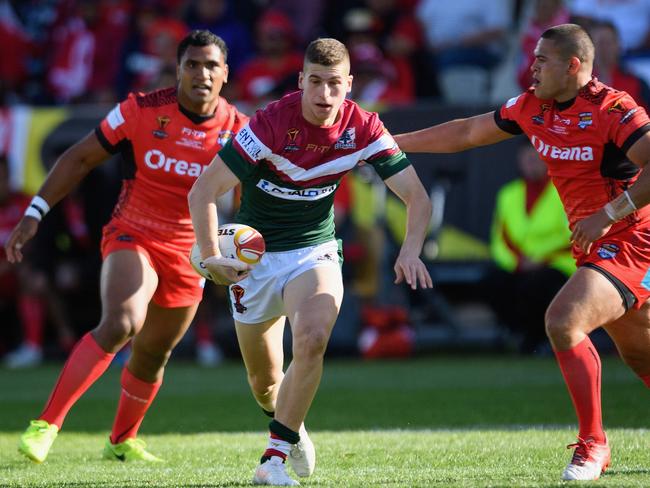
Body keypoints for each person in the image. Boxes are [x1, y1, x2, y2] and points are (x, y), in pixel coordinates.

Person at [393, 23, 650, 481]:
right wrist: (390, 145)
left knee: (563, 320)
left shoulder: (612, 108)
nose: (530, 68)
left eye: (542, 60)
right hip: (598, 244)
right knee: (639, 354)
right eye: (532, 58)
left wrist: (611, 212)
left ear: (573, 66)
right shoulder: (534, 107)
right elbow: (467, 132)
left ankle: (593, 445)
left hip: (633, 241)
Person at [188, 37, 432, 485]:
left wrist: (411, 247)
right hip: (253, 259)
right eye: (315, 82)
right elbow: (203, 191)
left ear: (349, 85)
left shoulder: (364, 129)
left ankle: (273, 457)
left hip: (313, 251)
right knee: (265, 385)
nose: (324, 94)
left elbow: (416, 196)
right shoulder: (268, 124)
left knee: (313, 337)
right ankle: (292, 427)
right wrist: (210, 258)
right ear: (301, 80)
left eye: (334, 84)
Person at [5, 30, 247, 463]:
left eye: (212, 66)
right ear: (177, 70)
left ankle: (121, 441)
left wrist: (244, 246)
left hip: (191, 254)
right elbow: (79, 157)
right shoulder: (140, 110)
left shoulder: (240, 130)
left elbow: (251, 198)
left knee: (154, 354)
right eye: (192, 64)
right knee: (121, 322)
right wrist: (35, 212)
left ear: (225, 74)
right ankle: (46, 425)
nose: (202, 74)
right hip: (133, 232)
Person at [484, 140, 575, 354]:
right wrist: (518, 262)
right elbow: (501, 238)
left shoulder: (564, 190)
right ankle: (518, 334)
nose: (531, 163)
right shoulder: (508, 194)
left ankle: (539, 340)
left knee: (538, 285)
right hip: (520, 264)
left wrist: (542, 260)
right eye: (526, 158)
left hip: (559, 264)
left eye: (536, 158)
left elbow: (573, 236)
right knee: (492, 281)